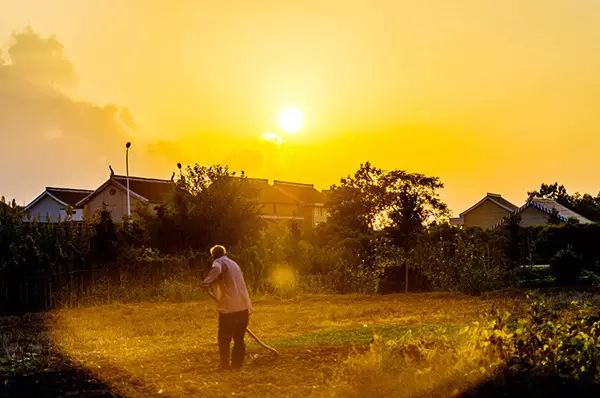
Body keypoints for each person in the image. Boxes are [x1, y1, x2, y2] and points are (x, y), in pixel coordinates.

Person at [202, 245, 253, 370]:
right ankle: (237, 365)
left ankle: (224, 365)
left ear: (213, 255)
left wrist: (206, 282)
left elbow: (216, 269)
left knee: (224, 338)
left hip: (229, 308)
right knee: (239, 338)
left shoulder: (218, 262)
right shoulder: (234, 264)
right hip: (243, 306)